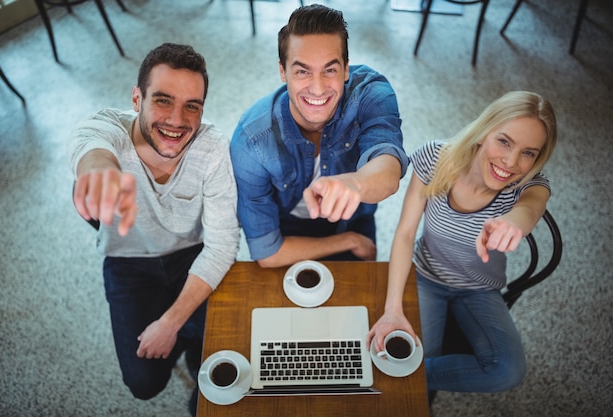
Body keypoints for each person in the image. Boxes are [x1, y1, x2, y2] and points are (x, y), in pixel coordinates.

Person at [68, 43, 240, 413]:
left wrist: (169, 322)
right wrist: (98, 170)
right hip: (128, 263)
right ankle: (192, 332)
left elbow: (224, 245)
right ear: (136, 98)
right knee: (144, 383)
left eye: (191, 105)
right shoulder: (108, 128)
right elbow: (91, 146)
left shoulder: (212, 148)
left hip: (192, 254)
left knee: (224, 346)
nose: (177, 120)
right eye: (163, 100)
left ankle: (192, 343)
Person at [367, 91, 557, 395]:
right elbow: (404, 234)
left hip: (480, 289)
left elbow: (531, 208)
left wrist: (514, 222)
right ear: (483, 132)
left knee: (508, 369)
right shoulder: (434, 158)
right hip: (427, 278)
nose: (511, 162)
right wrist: (392, 309)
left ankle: (406, 380)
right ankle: (409, 381)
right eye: (504, 141)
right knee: (411, 349)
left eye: (528, 152)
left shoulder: (528, 185)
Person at [230, 4, 408, 268]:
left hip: (355, 218)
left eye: (330, 70)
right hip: (289, 232)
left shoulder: (371, 93)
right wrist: (347, 241)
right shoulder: (251, 142)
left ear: (346, 69)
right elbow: (267, 253)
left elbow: (389, 165)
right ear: (283, 72)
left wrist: (355, 184)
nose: (317, 88)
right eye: (302, 71)